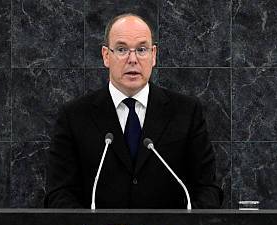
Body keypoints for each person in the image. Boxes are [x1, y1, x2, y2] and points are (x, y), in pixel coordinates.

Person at [45, 13, 222, 209]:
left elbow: (207, 189)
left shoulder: (186, 112)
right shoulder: (74, 116)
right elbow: (59, 194)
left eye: (142, 49)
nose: (133, 59)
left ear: (153, 55)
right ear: (106, 56)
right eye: (121, 49)